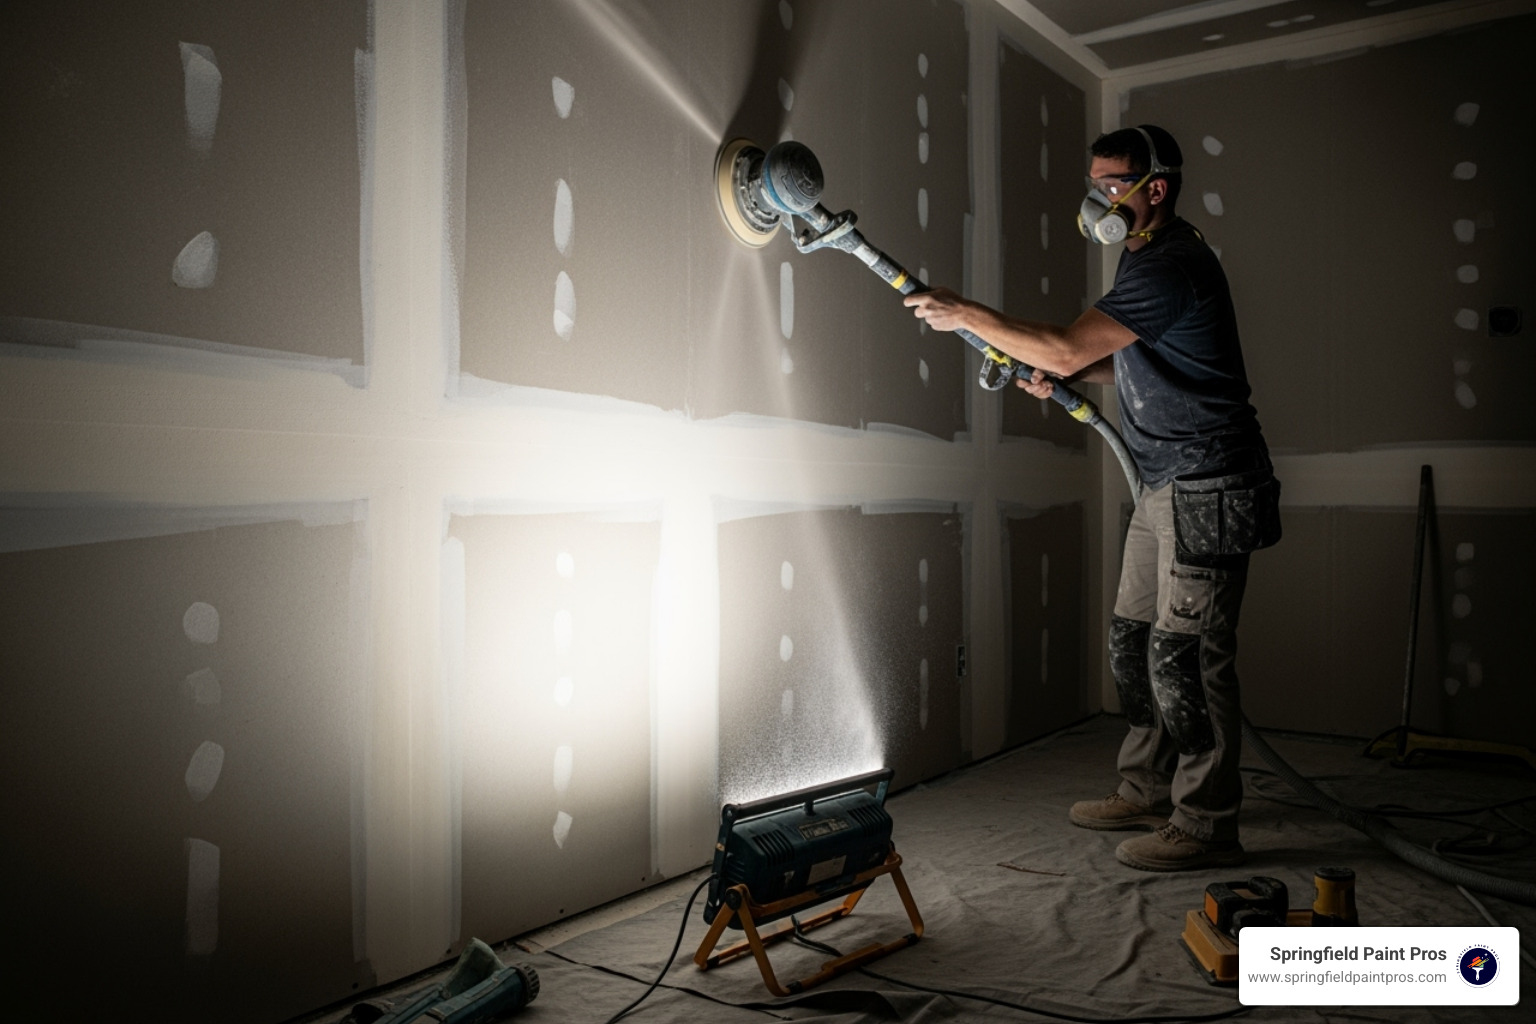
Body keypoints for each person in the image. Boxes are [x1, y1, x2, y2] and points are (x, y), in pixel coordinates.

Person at [904, 124, 1279, 871]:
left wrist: (969, 314)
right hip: (1161, 482)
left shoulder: (1173, 263)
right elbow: (1122, 357)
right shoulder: (1139, 254)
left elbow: (1072, 344)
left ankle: (1206, 821)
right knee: (1134, 645)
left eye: (1110, 185)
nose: (1096, 199)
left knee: (1187, 658)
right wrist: (1071, 374)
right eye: (1095, 183)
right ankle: (1145, 788)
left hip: (1209, 484)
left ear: (1154, 189)